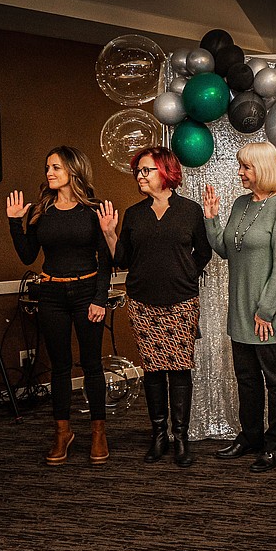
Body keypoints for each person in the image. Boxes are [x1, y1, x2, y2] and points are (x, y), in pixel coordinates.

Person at [97, 147, 212, 468]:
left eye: (146, 170)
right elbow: (122, 259)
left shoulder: (190, 211)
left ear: (166, 172)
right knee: (153, 370)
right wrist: (109, 232)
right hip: (143, 303)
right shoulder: (134, 214)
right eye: (138, 171)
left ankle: (181, 438)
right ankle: (158, 435)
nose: (140, 176)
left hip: (182, 302)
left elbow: (203, 252)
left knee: (179, 369)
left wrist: (186, 272)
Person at [7, 146, 112, 466]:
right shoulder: (42, 210)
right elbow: (27, 256)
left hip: (86, 292)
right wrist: (14, 222)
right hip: (51, 293)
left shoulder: (95, 210)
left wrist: (99, 299)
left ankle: (98, 432)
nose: (49, 173)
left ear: (73, 171)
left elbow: (106, 260)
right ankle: (62, 431)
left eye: (55, 167)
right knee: (60, 366)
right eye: (47, 167)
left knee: (92, 365)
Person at [202, 142, 276, 473]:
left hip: (268, 314)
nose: (240, 173)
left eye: (246, 167)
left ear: (264, 169)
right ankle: (251, 436)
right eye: (241, 166)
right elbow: (227, 249)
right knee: (246, 379)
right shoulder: (242, 204)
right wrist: (211, 219)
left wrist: (266, 310)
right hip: (241, 312)